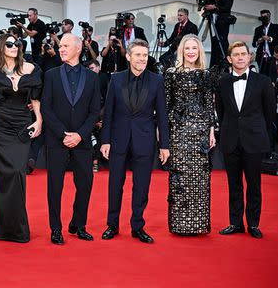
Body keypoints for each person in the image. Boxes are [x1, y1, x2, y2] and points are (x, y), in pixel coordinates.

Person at [100, 39, 169, 244]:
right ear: (128, 56)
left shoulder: (157, 80)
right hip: (118, 139)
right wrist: (105, 140)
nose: (142, 59)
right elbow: (109, 112)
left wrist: (164, 144)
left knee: (142, 186)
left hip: (145, 140)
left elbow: (162, 115)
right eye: (138, 55)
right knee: (115, 185)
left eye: (145, 55)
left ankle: (137, 226)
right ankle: (112, 224)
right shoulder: (116, 79)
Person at [41, 34, 101, 244]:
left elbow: (94, 112)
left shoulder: (92, 77)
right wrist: (63, 134)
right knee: (55, 186)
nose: (61, 49)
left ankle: (79, 224)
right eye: (61, 46)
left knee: (85, 183)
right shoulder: (51, 75)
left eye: (66, 46)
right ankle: (55, 228)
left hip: (82, 140)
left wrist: (80, 135)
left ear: (78, 48)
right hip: (57, 140)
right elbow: (46, 108)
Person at [0, 34, 42, 242]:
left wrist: (39, 120)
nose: (14, 46)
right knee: (1, 176)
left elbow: (35, 97)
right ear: (1, 47)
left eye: (17, 43)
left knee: (18, 172)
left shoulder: (31, 68)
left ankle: (18, 229)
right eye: (9, 44)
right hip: (0, 126)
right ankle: (3, 230)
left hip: (21, 124)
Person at [216, 41, 276, 239]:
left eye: (244, 54)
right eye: (236, 54)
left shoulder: (263, 81)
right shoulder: (223, 82)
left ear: (250, 56)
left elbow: (269, 115)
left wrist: (260, 133)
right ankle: (235, 223)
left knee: (254, 184)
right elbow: (221, 111)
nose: (240, 57)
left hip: (254, 140)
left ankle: (253, 224)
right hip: (230, 139)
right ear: (229, 59)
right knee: (234, 184)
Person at [163, 35, 216, 235]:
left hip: (201, 130)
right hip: (179, 131)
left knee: (200, 178)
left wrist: (212, 130)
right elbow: (167, 103)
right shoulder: (171, 73)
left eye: (195, 48)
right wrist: (164, 131)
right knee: (180, 176)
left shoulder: (206, 74)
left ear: (199, 51)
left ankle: (199, 224)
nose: (191, 51)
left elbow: (209, 105)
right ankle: (179, 224)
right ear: (182, 51)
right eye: (188, 48)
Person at [202, 0, 234, 68]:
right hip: (216, 20)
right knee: (215, 39)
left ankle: (224, 61)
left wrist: (214, 7)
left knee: (222, 40)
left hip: (223, 20)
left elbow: (227, 8)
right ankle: (214, 62)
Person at [252, 9, 278, 74]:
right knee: (262, 75)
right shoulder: (258, 29)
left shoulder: (277, 27)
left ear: (269, 16)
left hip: (272, 56)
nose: (264, 19)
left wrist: (269, 39)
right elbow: (253, 44)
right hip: (261, 57)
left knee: (272, 74)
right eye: (262, 17)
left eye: (265, 17)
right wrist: (258, 41)